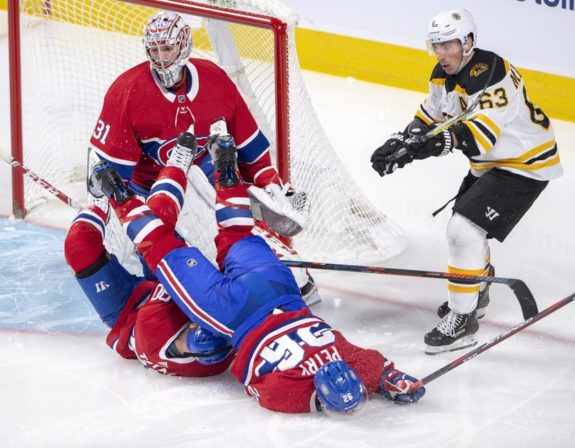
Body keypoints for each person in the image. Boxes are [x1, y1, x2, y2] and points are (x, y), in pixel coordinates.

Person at [85, 133, 426, 415]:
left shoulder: (349, 359)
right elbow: (257, 385)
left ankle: (227, 174)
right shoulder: (292, 397)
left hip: (279, 289)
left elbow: (375, 368)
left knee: (238, 235)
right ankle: (120, 195)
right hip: (235, 312)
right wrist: (375, 384)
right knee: (163, 248)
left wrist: (389, 378)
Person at [88, 10, 317, 303]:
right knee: (164, 265)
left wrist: (269, 183)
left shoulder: (213, 79)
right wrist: (123, 212)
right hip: (153, 186)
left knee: (238, 217)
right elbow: (110, 172)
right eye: (154, 49)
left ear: (183, 45)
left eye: (167, 48)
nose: (161, 57)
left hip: (205, 170)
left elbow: (250, 146)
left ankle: (279, 270)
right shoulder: (128, 91)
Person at [370, 8, 562, 355]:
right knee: (468, 230)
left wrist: (427, 147)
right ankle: (479, 287)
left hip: (524, 163)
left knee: (463, 230)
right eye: (436, 46)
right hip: (489, 164)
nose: (442, 54)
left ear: (468, 42)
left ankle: (464, 319)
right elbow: (430, 115)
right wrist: (402, 142)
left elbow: (478, 136)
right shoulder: (441, 74)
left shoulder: (492, 73)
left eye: (449, 45)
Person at [65, 134, 234, 377]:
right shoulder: (219, 330)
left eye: (192, 327)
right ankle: (176, 166)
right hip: (169, 292)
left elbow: (169, 276)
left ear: (188, 351)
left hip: (126, 311)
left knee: (79, 246)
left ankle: (98, 200)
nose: (195, 321)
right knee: (155, 222)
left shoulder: (154, 334)